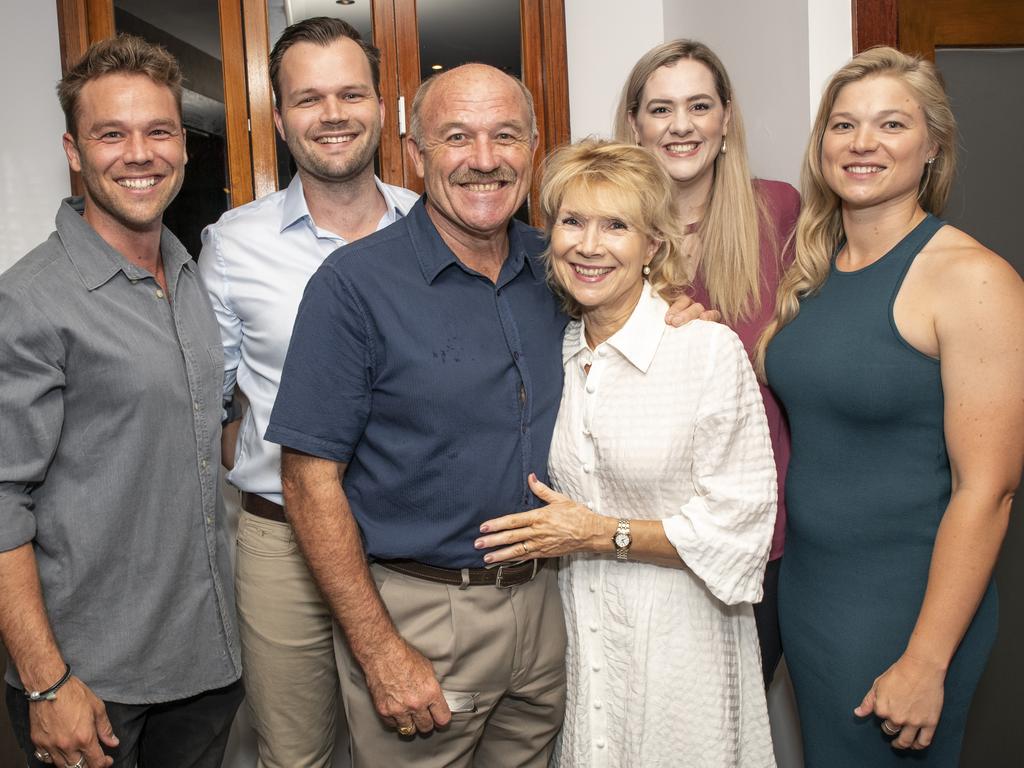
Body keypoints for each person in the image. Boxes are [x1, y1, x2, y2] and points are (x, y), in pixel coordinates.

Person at [263, 64, 706, 767]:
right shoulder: (353, 288)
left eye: (506, 136)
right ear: (415, 154)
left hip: (554, 603)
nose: (484, 159)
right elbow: (307, 481)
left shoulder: (559, 264)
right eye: (457, 138)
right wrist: (379, 649)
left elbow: (631, 327)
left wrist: (672, 313)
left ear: (532, 148)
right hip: (424, 611)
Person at [759, 47, 1024, 765]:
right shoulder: (813, 267)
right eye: (843, 126)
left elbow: (989, 489)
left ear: (932, 145)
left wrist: (927, 659)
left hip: (905, 611)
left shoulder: (971, 278)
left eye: (892, 124)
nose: (863, 143)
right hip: (813, 599)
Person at [477, 139, 778, 767]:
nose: (589, 245)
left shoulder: (705, 352)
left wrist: (598, 533)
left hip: (681, 641)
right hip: (579, 631)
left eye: (616, 225)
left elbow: (741, 527)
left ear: (654, 246)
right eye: (572, 221)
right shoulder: (552, 350)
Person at [0, 35, 242, 768]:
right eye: (112, 133)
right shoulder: (30, 302)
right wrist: (47, 684)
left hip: (207, 663)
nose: (140, 154)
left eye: (159, 131)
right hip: (93, 682)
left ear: (184, 145)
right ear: (75, 151)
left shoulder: (189, 271)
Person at [197, 17, 417, 768]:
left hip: (407, 539)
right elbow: (210, 397)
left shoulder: (432, 226)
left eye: (352, 93)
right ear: (280, 118)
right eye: (309, 97)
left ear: (383, 108)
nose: (333, 114)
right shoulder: (233, 243)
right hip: (281, 542)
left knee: (412, 746)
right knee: (294, 754)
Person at [615, 39, 799, 686]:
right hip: (638, 537)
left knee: (735, 728)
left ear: (725, 119)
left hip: (754, 534)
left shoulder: (781, 213)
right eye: (660, 109)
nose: (681, 125)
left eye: (699, 105)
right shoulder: (605, 232)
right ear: (634, 123)